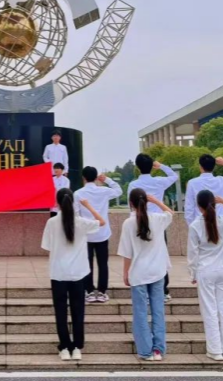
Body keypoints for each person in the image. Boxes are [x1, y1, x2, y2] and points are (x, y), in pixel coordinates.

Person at [41, 188, 106, 361]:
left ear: (57, 203)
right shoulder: (81, 222)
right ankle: (77, 347)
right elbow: (102, 222)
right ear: (73, 202)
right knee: (78, 311)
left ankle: (64, 347)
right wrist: (89, 207)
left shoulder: (52, 222)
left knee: (60, 311)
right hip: (78, 273)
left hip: (58, 273)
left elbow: (47, 246)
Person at [118, 188, 174, 362]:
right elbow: (170, 213)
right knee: (158, 311)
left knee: (140, 313)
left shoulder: (128, 223)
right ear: (146, 202)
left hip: (138, 273)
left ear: (131, 203)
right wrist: (156, 201)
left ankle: (145, 351)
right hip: (157, 271)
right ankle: (158, 350)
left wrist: (125, 272)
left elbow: (127, 252)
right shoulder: (157, 219)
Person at [187, 190, 223, 362]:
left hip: (205, 271)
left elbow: (193, 254)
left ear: (198, 206)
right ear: (214, 203)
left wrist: (193, 273)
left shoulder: (195, 225)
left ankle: (215, 350)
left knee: (210, 311)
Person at [128, 154, 180, 302]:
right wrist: (161, 166)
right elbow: (174, 176)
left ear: (138, 167)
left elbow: (131, 206)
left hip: (140, 222)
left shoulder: (133, 185)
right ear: (151, 166)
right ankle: (163, 290)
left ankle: (144, 289)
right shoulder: (159, 182)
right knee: (160, 255)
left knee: (140, 255)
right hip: (158, 222)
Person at [74, 166, 122, 304]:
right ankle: (102, 292)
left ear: (83, 178)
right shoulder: (104, 191)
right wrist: (107, 179)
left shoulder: (78, 194)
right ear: (96, 177)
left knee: (86, 263)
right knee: (103, 264)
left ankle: (89, 291)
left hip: (86, 234)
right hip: (102, 233)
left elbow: (76, 215)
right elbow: (119, 190)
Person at [184, 155, 223, 226]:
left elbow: (189, 206)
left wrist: (191, 225)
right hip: (220, 221)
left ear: (200, 166)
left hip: (200, 222)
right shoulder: (221, 181)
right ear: (214, 167)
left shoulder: (192, 183)